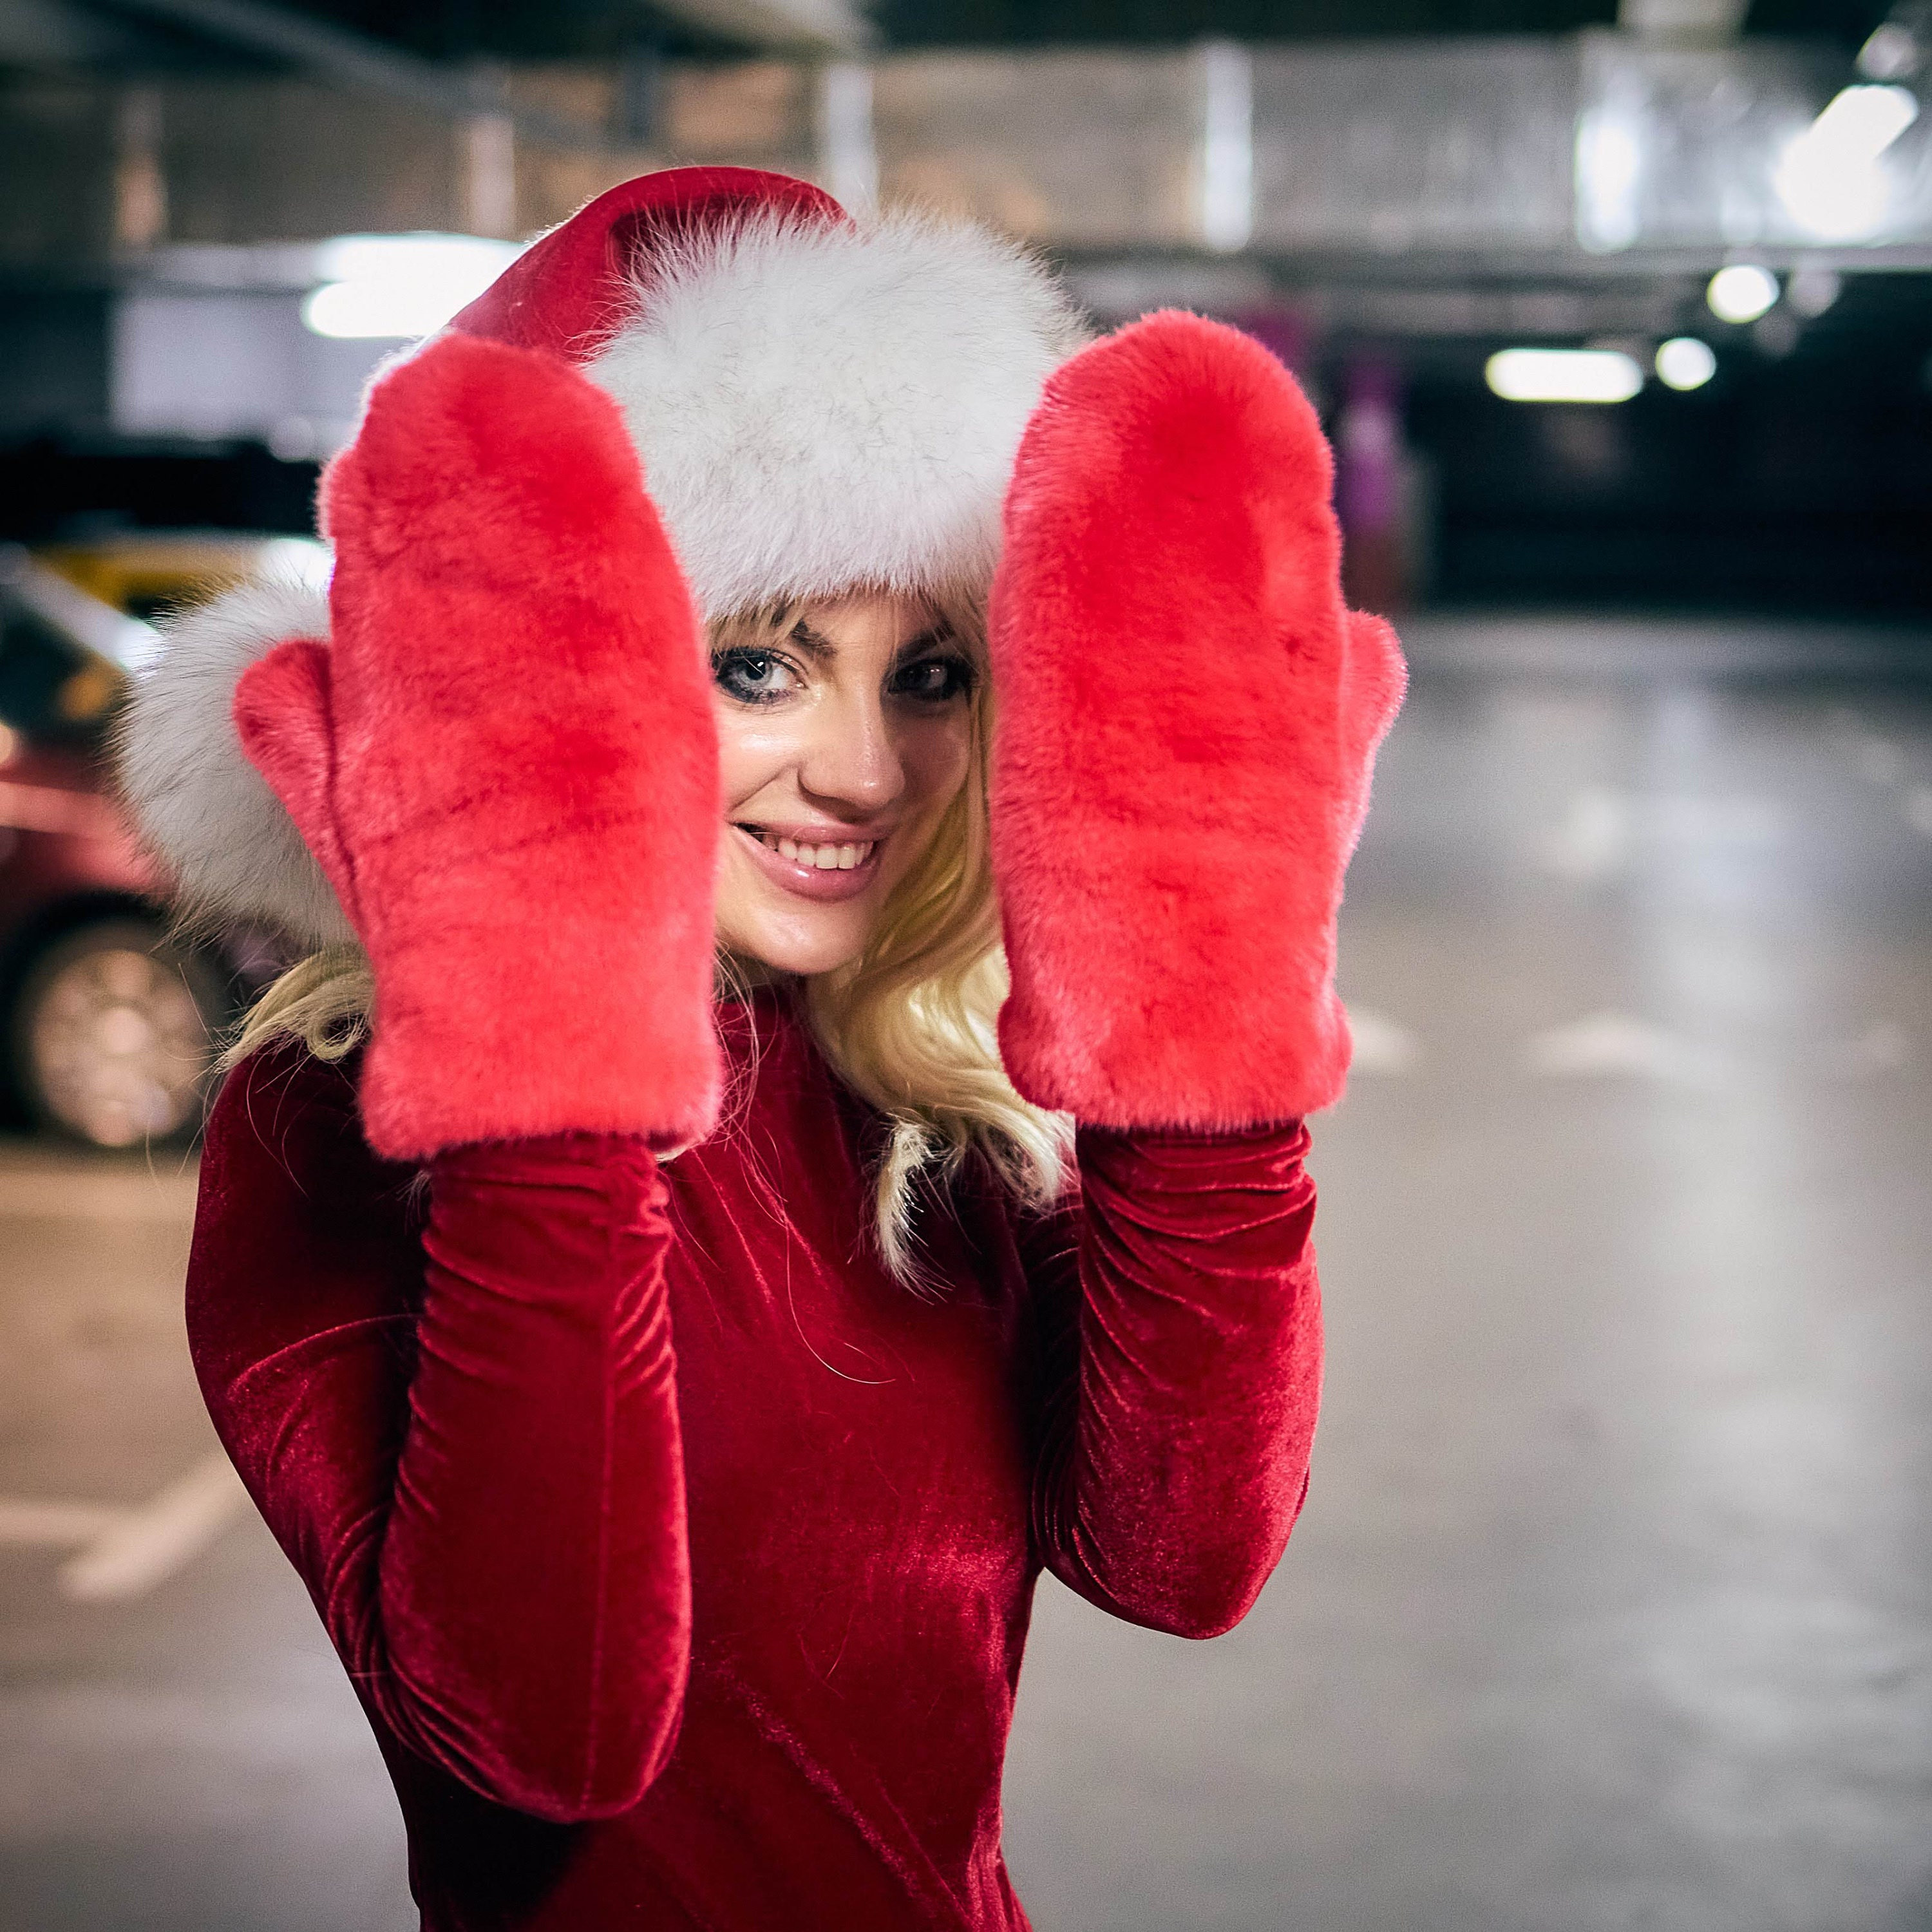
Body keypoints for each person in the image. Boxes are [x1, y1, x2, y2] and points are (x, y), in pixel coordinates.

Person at [117, 166, 1405, 1931]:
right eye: (760, 667)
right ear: (553, 665)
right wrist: (546, 1063)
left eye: (931, 672)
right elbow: (540, 1735)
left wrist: (1204, 1044)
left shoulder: (913, 1101)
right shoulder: (335, 1127)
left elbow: (1178, 1558)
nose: (868, 771)